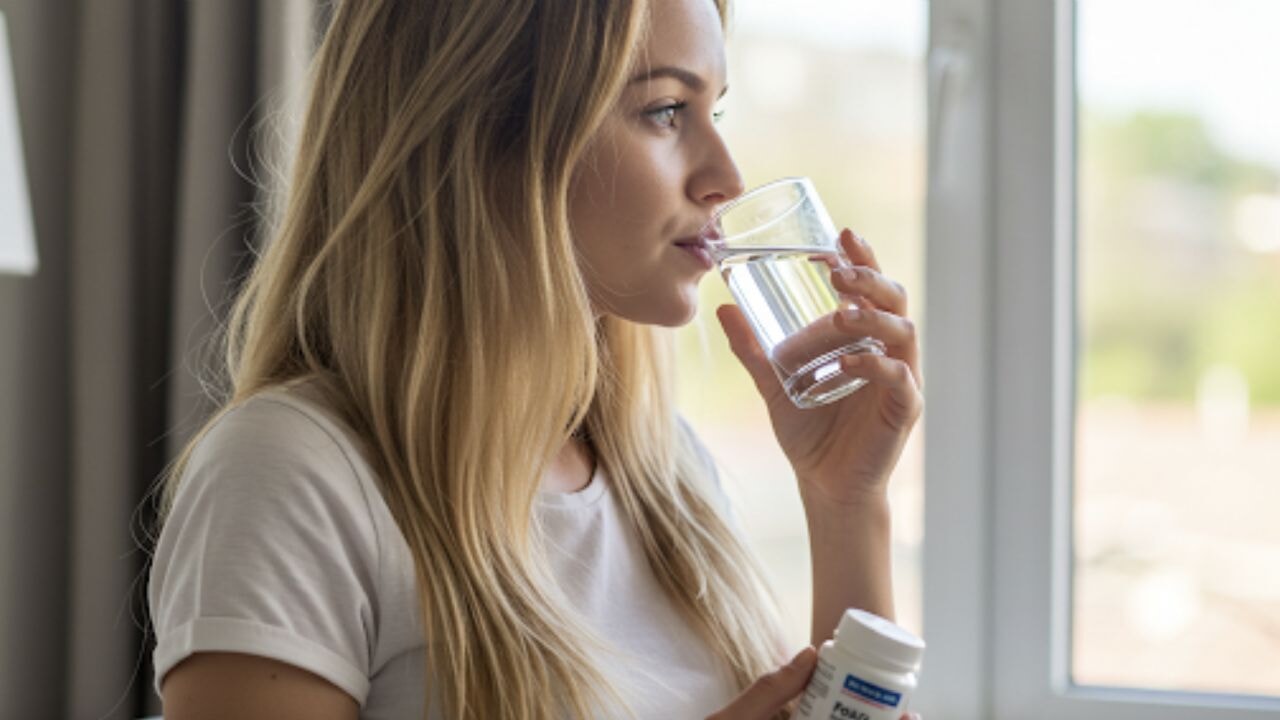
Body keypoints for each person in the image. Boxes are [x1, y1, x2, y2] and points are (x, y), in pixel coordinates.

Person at [147, 0, 923, 718]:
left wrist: (846, 502)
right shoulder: (293, 475)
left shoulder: (668, 474)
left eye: (714, 111)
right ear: (483, 135)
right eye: (665, 111)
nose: (726, 178)